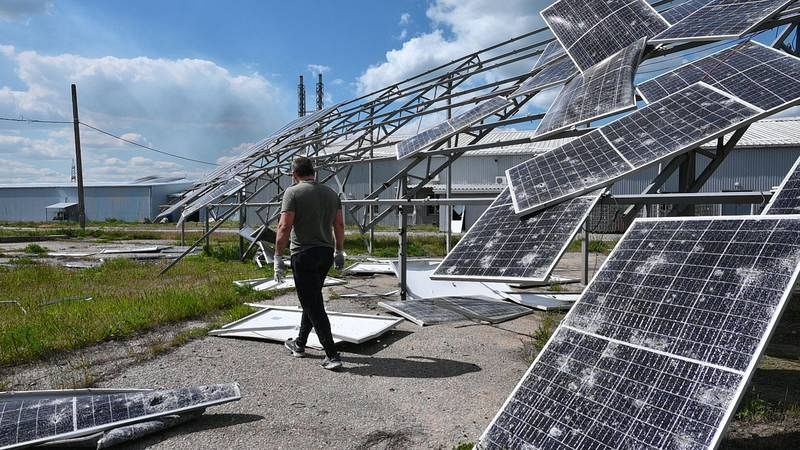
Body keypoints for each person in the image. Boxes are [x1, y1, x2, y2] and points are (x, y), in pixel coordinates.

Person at [273, 156, 346, 370]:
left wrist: (278, 257)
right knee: (311, 298)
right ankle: (300, 344)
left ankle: (332, 355)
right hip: (325, 253)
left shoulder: (292, 192)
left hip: (304, 253)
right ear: (313, 172)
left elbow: (284, 227)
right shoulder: (331, 194)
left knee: (313, 303)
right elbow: (339, 224)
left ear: (294, 174)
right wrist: (340, 251)